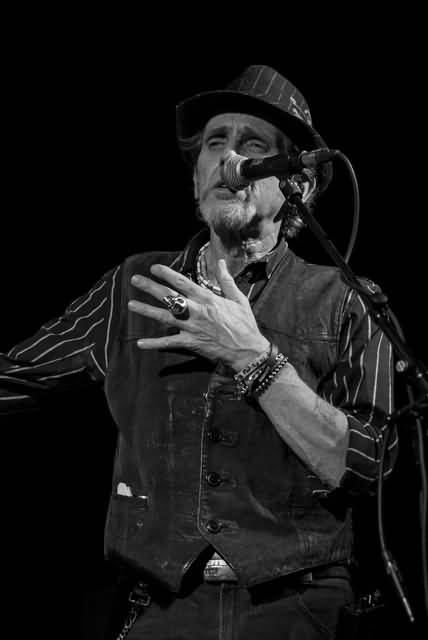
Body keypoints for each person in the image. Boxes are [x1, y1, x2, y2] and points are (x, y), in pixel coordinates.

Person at [0, 65, 397, 639]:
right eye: (215, 143)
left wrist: (254, 358)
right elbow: (16, 378)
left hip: (299, 608)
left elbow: (368, 465)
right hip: (160, 608)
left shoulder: (348, 301)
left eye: (253, 146)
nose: (229, 159)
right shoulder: (134, 285)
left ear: (300, 186)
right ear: (195, 180)